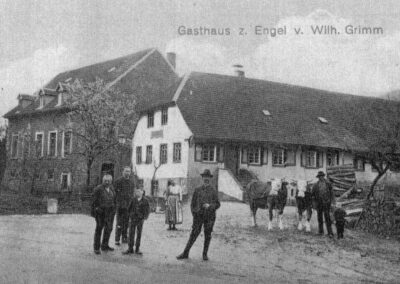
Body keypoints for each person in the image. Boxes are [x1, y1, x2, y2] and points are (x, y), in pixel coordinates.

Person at [177, 169, 220, 261]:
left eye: (208, 177)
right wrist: (194, 214)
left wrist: (210, 206)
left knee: (207, 235)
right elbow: (192, 204)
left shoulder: (213, 191)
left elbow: (217, 204)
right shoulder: (197, 190)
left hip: (210, 217)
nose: (206, 179)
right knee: (193, 234)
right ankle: (185, 253)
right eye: (204, 177)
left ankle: (204, 254)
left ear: (210, 179)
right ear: (202, 178)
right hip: (198, 216)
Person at [91, 174, 116, 254]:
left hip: (110, 213)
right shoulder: (98, 189)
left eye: (109, 181)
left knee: (108, 229)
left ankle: (105, 245)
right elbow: (93, 201)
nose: (107, 182)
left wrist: (114, 209)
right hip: (101, 213)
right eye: (105, 181)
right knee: (99, 229)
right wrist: (96, 210)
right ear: (103, 181)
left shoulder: (112, 188)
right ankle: (96, 248)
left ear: (111, 181)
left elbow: (114, 199)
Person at [123, 188, 150, 255]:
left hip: (140, 220)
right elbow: (129, 209)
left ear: (142, 192)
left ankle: (137, 249)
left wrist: (144, 217)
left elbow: (147, 210)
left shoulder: (145, 201)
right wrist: (130, 215)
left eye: (139, 191)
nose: (137, 193)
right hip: (133, 219)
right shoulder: (133, 199)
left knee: (139, 234)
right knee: (131, 233)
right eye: (136, 191)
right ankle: (130, 248)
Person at [114, 166, 136, 246]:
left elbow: (132, 195)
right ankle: (117, 239)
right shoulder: (118, 181)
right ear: (123, 172)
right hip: (120, 206)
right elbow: (114, 193)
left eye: (129, 171)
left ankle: (124, 238)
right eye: (126, 171)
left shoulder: (131, 182)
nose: (127, 173)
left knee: (126, 223)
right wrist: (117, 202)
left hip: (128, 206)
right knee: (119, 223)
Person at [312, 171, 335, 238]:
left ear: (323, 176)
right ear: (318, 177)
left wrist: (332, 202)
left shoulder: (328, 184)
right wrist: (314, 204)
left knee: (327, 217)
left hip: (326, 203)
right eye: (319, 176)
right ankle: (320, 231)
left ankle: (330, 233)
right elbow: (313, 195)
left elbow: (332, 194)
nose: (321, 177)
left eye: (322, 176)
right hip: (319, 203)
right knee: (319, 218)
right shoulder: (315, 185)